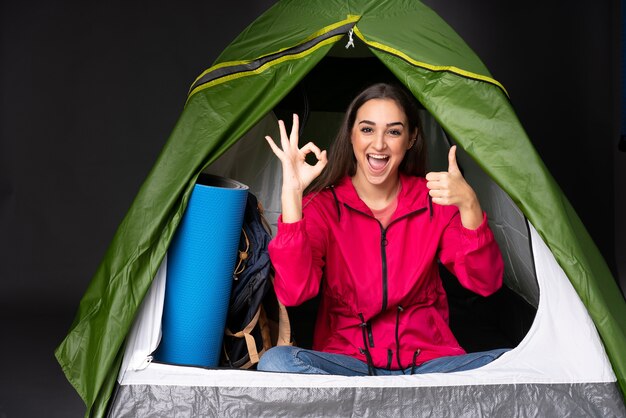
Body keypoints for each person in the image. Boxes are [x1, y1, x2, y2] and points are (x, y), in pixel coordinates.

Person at [258, 83, 506, 376]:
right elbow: (295, 292)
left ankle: (382, 406)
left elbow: (486, 282)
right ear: (350, 134)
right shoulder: (322, 205)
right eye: (367, 129)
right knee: (276, 363)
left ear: (411, 138)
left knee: (516, 364)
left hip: (429, 365)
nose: (378, 144)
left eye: (393, 131)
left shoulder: (435, 200)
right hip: (350, 367)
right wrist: (292, 196)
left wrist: (470, 205)